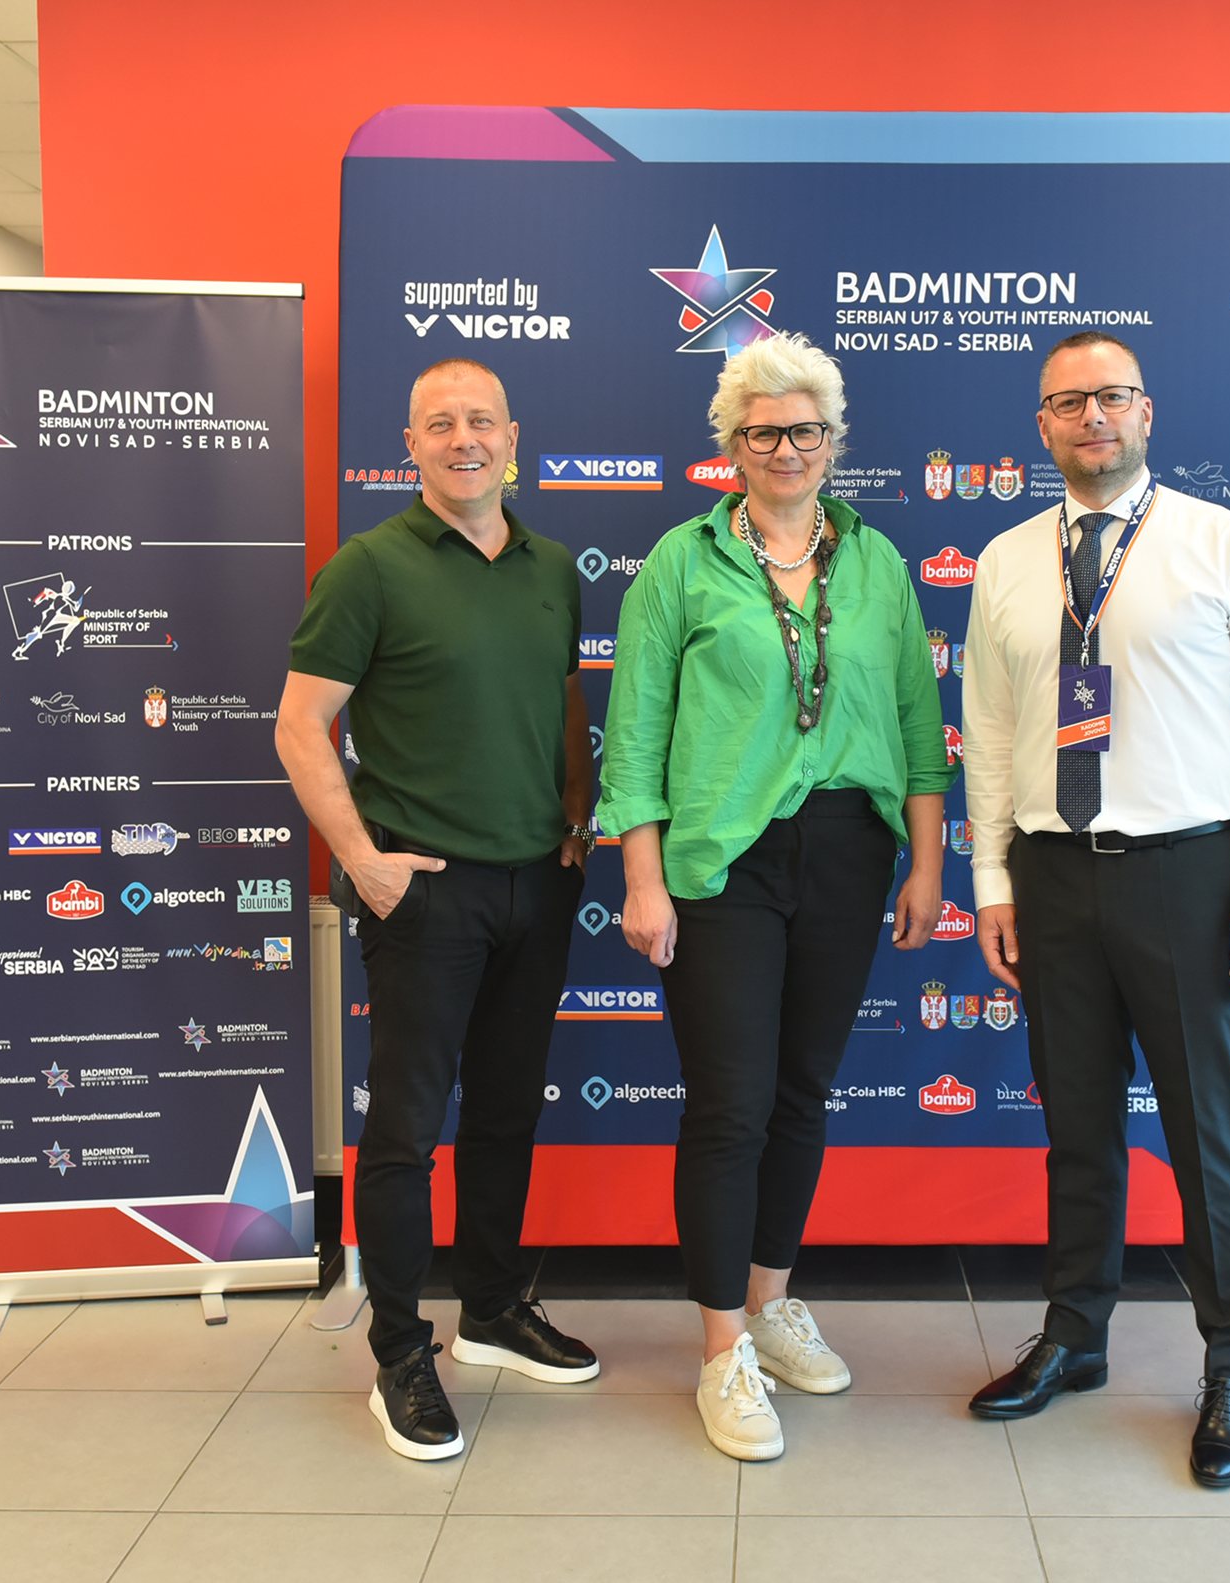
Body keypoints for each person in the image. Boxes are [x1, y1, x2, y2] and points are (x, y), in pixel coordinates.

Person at [959, 331, 1230, 1489]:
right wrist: (994, 880)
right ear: (1042, 425)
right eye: (1067, 402)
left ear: (1145, 411)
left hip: (1185, 872)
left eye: (1110, 396)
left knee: (1207, 1130)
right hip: (1053, 872)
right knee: (1076, 1121)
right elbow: (991, 733)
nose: (1091, 417)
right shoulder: (1007, 560)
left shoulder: (1226, 543)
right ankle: (1075, 1332)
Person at [598, 333, 951, 1462]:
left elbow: (917, 724)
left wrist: (928, 861)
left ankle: (769, 1301)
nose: (785, 448)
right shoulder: (681, 561)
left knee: (802, 1092)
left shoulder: (877, 561)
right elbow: (635, 732)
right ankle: (719, 1352)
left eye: (804, 430)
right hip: (721, 861)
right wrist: (641, 876)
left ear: (833, 441)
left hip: (849, 851)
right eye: (762, 432)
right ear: (731, 447)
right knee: (730, 1104)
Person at [276, 357, 601, 1462]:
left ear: (514, 438)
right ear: (409, 444)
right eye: (439, 423)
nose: (464, 438)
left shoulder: (553, 566)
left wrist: (575, 816)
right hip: (423, 890)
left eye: (481, 420)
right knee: (408, 1132)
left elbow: (564, 699)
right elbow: (299, 725)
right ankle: (399, 1351)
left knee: (507, 1112)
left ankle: (494, 1310)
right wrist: (362, 859)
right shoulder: (368, 567)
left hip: (538, 882)